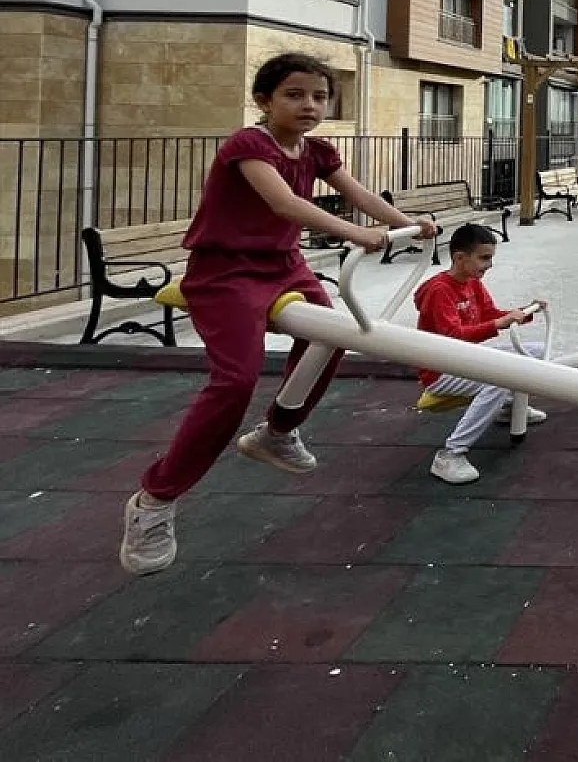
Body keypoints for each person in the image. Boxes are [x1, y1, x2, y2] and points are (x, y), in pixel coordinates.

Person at [120, 53, 438, 576]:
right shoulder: (249, 145)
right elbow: (283, 204)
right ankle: (154, 500)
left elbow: (355, 193)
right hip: (225, 272)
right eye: (294, 95)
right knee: (234, 381)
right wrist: (356, 233)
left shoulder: (317, 150)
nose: (309, 105)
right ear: (264, 101)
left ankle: (277, 430)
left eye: (318, 96)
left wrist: (408, 223)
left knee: (332, 333)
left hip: (283, 266)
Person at [414, 223, 550, 484]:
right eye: (484, 258)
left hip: (464, 361)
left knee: (535, 352)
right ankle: (450, 454)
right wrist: (500, 323)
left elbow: (491, 315)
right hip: (440, 369)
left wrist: (524, 312)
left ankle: (510, 408)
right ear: (459, 258)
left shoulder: (472, 283)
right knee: (499, 378)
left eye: (491, 258)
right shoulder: (440, 290)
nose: (488, 265)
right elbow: (451, 337)